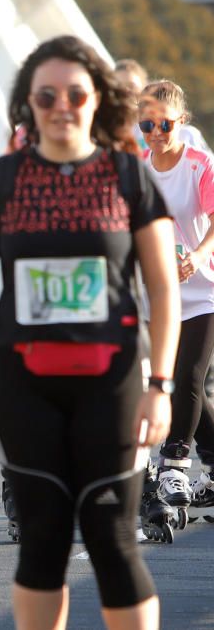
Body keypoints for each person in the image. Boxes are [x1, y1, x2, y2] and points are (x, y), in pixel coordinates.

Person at [0, 35, 180, 630]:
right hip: (24, 385)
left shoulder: (129, 176)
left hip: (115, 382)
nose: (62, 105)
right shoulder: (1, 180)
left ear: (96, 100)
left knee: (112, 537)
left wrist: (161, 385)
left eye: (76, 94)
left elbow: (163, 288)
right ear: (29, 104)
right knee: (43, 542)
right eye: (46, 95)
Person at [137, 79, 214, 535]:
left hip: (204, 289)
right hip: (156, 296)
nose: (154, 132)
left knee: (187, 376)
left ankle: (174, 465)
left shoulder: (200, 165)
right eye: (146, 124)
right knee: (177, 386)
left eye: (163, 124)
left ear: (180, 123)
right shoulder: (137, 171)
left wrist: (198, 257)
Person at [114, 58, 211, 153]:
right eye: (119, 86)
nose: (125, 91)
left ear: (145, 88)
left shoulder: (186, 135)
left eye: (131, 86)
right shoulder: (112, 136)